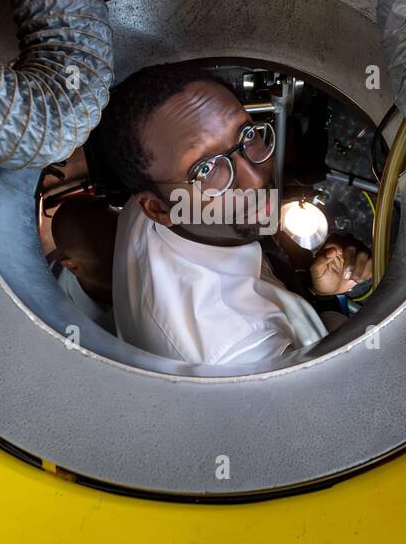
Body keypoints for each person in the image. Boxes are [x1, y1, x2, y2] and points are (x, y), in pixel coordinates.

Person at [98, 63, 371, 365]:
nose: (254, 179)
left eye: (247, 134)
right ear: (158, 209)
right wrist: (332, 302)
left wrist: (311, 287)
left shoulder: (153, 205)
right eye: (206, 169)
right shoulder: (245, 348)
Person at [50, 196, 118, 334]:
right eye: (109, 251)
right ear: (72, 266)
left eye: (122, 234)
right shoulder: (61, 321)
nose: (127, 252)